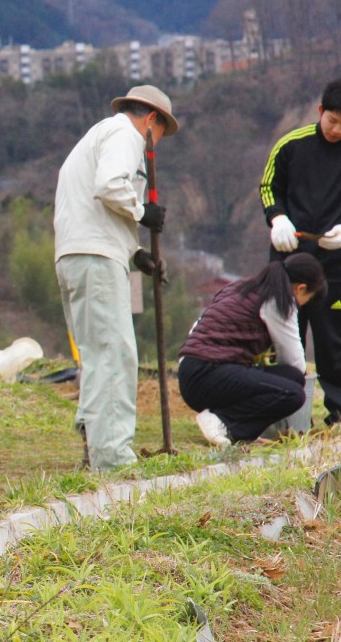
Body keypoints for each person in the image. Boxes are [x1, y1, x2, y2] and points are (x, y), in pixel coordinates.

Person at [53, 84, 179, 472]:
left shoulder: (99, 135)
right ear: (151, 119)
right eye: (158, 135)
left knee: (97, 355)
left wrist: (134, 252)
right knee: (114, 355)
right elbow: (110, 186)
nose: (155, 143)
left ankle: (95, 445)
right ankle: (113, 461)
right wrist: (143, 212)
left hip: (81, 254)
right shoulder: (126, 133)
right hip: (94, 257)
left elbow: (97, 207)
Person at [179, 253, 325, 447]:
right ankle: (222, 421)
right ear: (300, 289)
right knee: (293, 393)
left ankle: (230, 424)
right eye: (308, 298)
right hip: (208, 374)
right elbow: (296, 362)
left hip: (192, 371)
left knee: (291, 378)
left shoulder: (240, 286)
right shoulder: (279, 300)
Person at [260, 77, 341, 427]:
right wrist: (276, 219)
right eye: (333, 121)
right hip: (289, 255)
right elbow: (268, 186)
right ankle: (280, 414)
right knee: (282, 331)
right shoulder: (292, 144)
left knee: (333, 337)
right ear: (320, 112)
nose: (337, 130)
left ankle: (337, 412)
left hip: (335, 262)